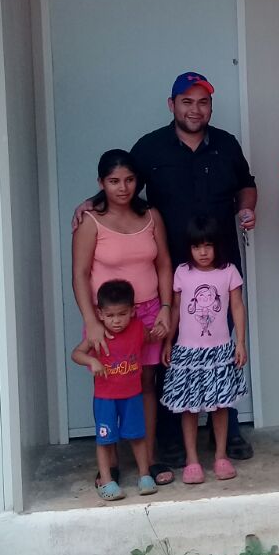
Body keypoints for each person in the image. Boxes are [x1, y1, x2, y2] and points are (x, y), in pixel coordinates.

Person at [76, 72, 257, 461]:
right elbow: (122, 184)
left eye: (203, 102)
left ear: (211, 106)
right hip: (172, 272)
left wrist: (246, 208)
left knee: (221, 348)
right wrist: (91, 203)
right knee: (169, 356)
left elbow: (247, 183)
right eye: (187, 102)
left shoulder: (226, 144)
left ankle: (229, 435)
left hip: (219, 269)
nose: (195, 110)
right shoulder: (150, 147)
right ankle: (173, 440)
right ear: (171, 105)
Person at [71, 149, 175, 486]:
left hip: (148, 313)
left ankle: (149, 458)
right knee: (110, 385)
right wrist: (92, 321)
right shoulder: (90, 221)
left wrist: (165, 307)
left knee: (145, 384)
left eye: (129, 180)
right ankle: (110, 463)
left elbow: (163, 264)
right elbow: (80, 274)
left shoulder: (151, 216)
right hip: (109, 318)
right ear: (101, 182)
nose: (123, 188)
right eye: (114, 181)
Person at [160, 215, 248, 484]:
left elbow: (237, 307)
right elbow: (176, 309)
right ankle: (192, 460)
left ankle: (221, 456)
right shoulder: (182, 273)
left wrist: (240, 342)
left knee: (220, 406)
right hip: (187, 353)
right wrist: (168, 341)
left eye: (208, 245)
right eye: (197, 246)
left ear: (217, 245)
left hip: (220, 352)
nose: (203, 252)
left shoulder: (228, 271)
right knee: (189, 408)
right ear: (189, 248)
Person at [71, 279, 158, 501]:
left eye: (122, 314)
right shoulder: (97, 334)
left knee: (137, 436)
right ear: (100, 314)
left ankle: (144, 475)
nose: (116, 320)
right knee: (105, 440)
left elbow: (151, 337)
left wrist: (161, 330)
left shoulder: (138, 328)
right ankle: (107, 480)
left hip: (132, 396)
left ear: (133, 311)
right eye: (110, 315)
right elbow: (76, 354)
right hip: (105, 399)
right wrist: (92, 361)